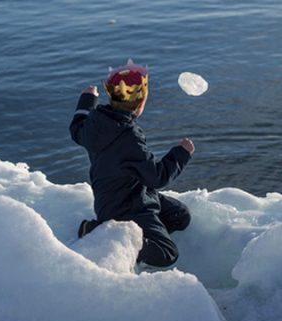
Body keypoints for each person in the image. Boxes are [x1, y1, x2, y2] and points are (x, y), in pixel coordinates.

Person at [69, 59, 194, 267]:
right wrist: (181, 154)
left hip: (128, 195)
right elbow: (157, 177)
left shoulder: (94, 123)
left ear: (110, 95)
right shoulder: (129, 138)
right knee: (167, 253)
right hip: (126, 208)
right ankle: (103, 233)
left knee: (180, 216)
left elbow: (76, 128)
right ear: (141, 102)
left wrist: (87, 99)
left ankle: (143, 233)